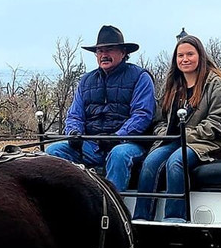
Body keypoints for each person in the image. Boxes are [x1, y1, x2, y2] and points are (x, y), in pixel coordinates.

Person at [133, 34, 221, 221]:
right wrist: (164, 134)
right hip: (176, 141)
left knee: (177, 162)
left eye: (190, 54)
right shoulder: (173, 87)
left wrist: (186, 134)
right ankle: (141, 219)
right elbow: (160, 120)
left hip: (210, 144)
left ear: (201, 56)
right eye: (180, 56)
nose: (185, 59)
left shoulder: (219, 86)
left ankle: (175, 219)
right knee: (150, 162)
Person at [46, 25, 155, 191]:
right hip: (90, 144)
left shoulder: (140, 77)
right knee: (54, 151)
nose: (103, 55)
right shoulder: (86, 81)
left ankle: (112, 210)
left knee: (119, 155)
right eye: (99, 51)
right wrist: (74, 134)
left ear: (124, 52)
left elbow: (142, 115)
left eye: (109, 49)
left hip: (128, 144)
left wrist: (116, 137)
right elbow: (75, 115)